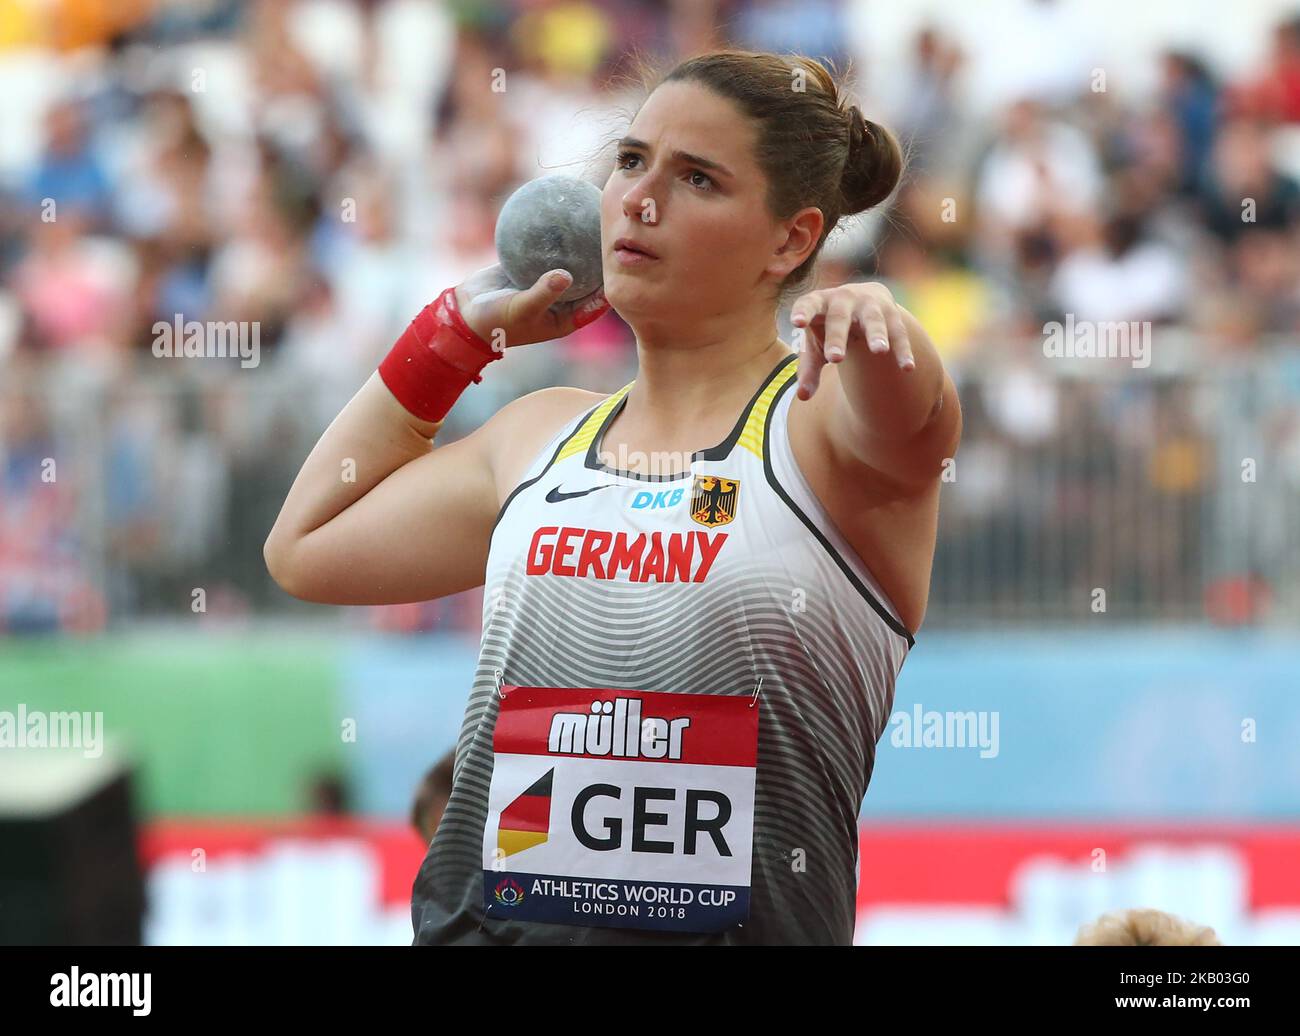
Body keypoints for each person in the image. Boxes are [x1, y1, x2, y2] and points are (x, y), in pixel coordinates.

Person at [264, 49, 962, 945]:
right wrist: (449, 338)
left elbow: (920, 419)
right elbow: (305, 545)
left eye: (697, 179)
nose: (639, 198)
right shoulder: (540, 437)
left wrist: (882, 327)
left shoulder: (825, 432)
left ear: (791, 239)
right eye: (631, 161)